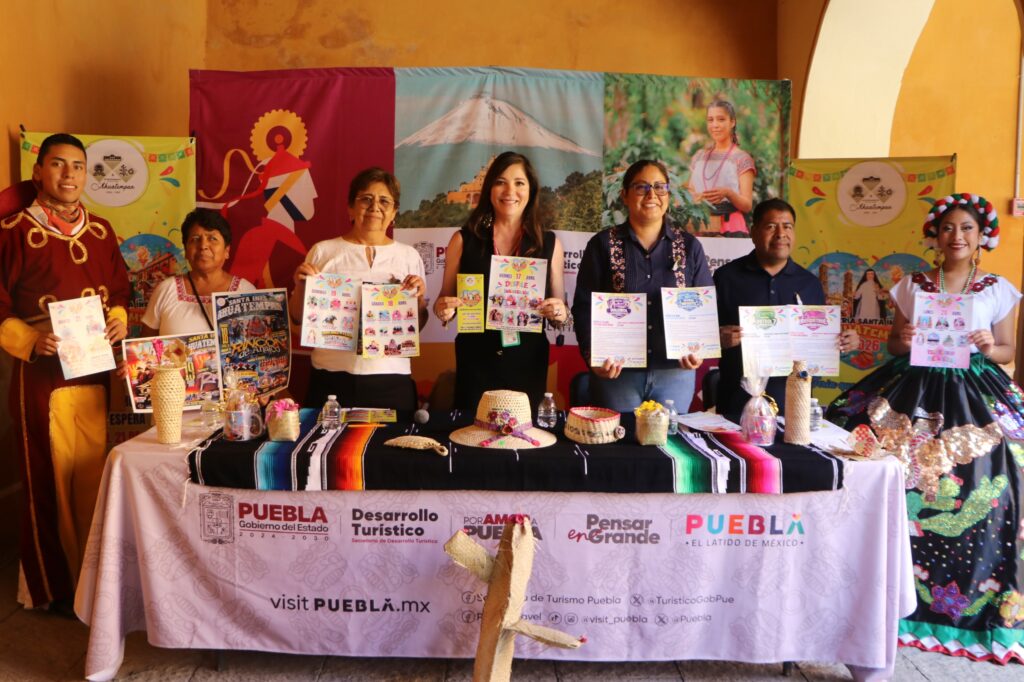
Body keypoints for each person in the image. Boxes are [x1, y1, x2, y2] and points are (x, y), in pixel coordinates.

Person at [827, 193, 1023, 663]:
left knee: (996, 478)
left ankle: (976, 597)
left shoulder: (998, 288)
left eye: (967, 228)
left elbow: (1007, 350)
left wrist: (987, 345)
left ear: (981, 237)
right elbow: (895, 345)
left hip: (974, 393)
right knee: (875, 466)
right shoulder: (911, 285)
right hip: (912, 389)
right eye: (948, 227)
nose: (957, 236)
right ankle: (882, 596)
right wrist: (905, 338)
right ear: (934, 235)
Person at [0, 133, 130, 611]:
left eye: (78, 165)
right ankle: (52, 587)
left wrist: (118, 319)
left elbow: (120, 289)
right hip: (42, 374)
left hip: (93, 370)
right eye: (58, 164)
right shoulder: (13, 231)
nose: (69, 174)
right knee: (47, 477)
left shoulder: (101, 231)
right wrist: (31, 340)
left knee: (93, 473)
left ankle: (93, 581)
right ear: (38, 171)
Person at [572, 159, 712, 412]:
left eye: (660, 187)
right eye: (641, 187)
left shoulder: (689, 247)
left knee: (668, 437)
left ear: (668, 194)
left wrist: (698, 349)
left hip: (674, 374)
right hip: (617, 373)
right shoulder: (603, 245)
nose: (651, 194)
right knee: (620, 436)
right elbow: (583, 307)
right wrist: (593, 356)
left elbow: (703, 309)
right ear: (624, 195)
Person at [433, 152, 568, 412]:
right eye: (500, 182)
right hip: (476, 363)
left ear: (531, 190)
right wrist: (444, 309)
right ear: (489, 189)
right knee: (472, 432)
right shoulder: (463, 240)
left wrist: (560, 312)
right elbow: (443, 302)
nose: (510, 191)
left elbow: (560, 315)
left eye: (519, 183)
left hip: (527, 363)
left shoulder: (549, 243)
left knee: (524, 433)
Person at [290, 167, 426, 411]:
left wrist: (418, 299)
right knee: (326, 437)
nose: (375, 207)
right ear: (350, 208)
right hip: (331, 377)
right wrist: (301, 286)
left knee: (393, 437)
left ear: (394, 212)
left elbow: (419, 324)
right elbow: (297, 318)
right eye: (366, 199)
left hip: (392, 379)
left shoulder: (409, 256)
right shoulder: (323, 251)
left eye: (384, 201)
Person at [714, 198, 858, 416]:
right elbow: (702, 339)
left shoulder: (809, 284)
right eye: (771, 226)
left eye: (787, 226)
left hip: (793, 406)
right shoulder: (726, 278)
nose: (781, 234)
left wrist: (844, 342)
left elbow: (820, 343)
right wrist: (718, 339)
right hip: (737, 404)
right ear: (753, 233)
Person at [140, 208, 255, 336]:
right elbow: (146, 344)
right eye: (195, 239)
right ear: (186, 250)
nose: (203, 246)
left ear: (227, 251)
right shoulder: (166, 290)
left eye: (212, 239)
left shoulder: (246, 292)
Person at [687, 100, 755, 236]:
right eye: (710, 120)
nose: (715, 125)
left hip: (731, 227)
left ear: (732, 122)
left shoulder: (741, 158)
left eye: (721, 119)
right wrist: (695, 197)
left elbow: (747, 205)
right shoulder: (699, 156)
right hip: (702, 225)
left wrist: (728, 193)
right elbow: (691, 191)